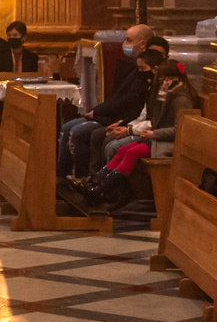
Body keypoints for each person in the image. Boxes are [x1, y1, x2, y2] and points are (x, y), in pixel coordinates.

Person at [68, 38, 189, 210]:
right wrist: (127, 126)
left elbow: (177, 129)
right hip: (153, 136)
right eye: (163, 79)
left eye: (167, 79)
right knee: (122, 149)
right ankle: (96, 184)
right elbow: (149, 116)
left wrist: (143, 132)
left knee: (121, 149)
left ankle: (111, 191)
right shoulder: (163, 93)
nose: (164, 82)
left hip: (163, 142)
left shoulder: (180, 99)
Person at [56, 22, 156, 174]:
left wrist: (106, 117)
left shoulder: (146, 72)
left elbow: (130, 102)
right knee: (67, 127)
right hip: (115, 117)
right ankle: (62, 176)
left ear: (142, 44)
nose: (124, 44)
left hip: (123, 119)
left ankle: (87, 178)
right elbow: (116, 97)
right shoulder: (132, 66)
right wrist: (97, 111)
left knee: (80, 132)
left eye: (128, 40)